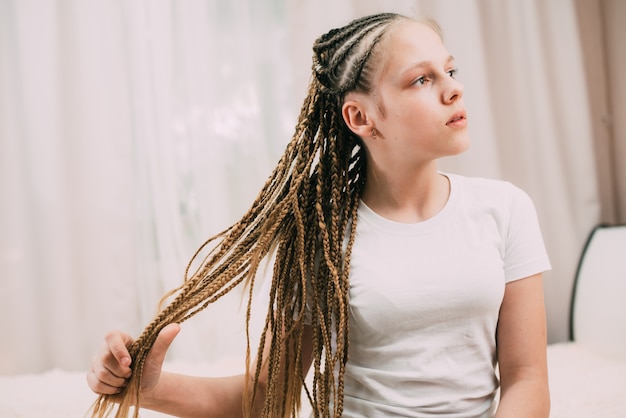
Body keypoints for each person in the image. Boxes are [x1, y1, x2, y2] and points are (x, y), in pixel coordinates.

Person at [87, 12, 551, 418]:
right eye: (422, 79)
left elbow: (526, 378)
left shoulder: (505, 209)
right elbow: (266, 394)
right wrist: (150, 390)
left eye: (450, 69)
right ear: (361, 118)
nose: (455, 88)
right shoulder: (324, 240)